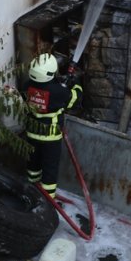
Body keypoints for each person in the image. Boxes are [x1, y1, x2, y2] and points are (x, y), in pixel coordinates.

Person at [23, 53, 82, 199]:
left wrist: (58, 82)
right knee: (49, 170)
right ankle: (48, 201)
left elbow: (45, 89)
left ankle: (31, 192)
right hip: (51, 139)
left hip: (31, 135)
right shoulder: (59, 92)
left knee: (33, 165)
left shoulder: (27, 85)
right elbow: (74, 101)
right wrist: (75, 84)